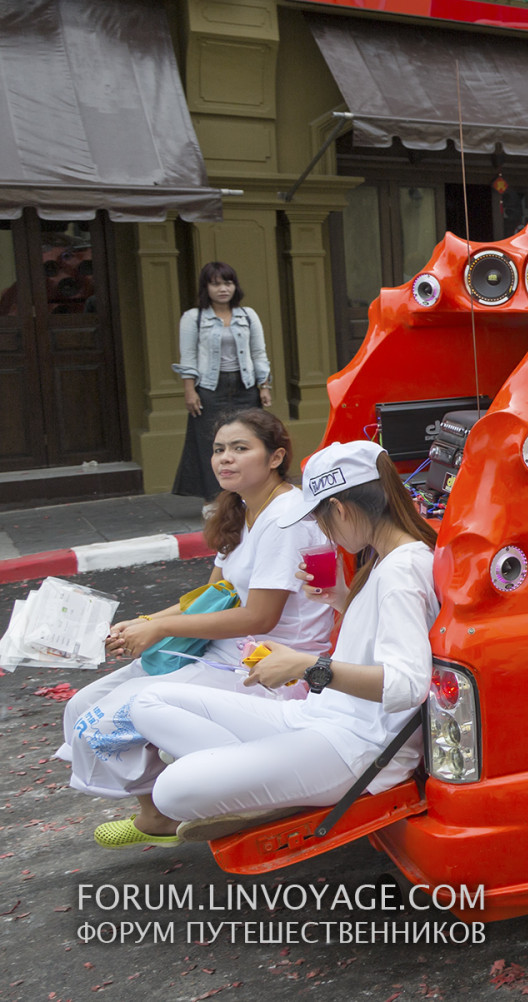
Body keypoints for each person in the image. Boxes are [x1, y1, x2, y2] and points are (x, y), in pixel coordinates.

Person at [126, 440, 438, 842]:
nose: (324, 530)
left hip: (356, 746)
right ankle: (268, 778)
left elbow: (408, 686)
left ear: (340, 508)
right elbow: (381, 632)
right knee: (147, 702)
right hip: (319, 717)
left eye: (321, 519)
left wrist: (306, 666)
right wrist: (340, 598)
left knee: (171, 790)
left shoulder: (400, 570)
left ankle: (265, 779)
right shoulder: (386, 558)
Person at [60, 409, 334, 848]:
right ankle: (156, 812)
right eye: (219, 449)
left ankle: (209, 797)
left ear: (275, 457)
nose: (225, 458)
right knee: (84, 705)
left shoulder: (287, 521)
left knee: (114, 715)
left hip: (267, 665)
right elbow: (214, 594)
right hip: (219, 649)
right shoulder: (241, 510)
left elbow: (259, 617)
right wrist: (146, 622)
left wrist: (161, 628)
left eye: (240, 448)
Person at [173, 261, 272, 499]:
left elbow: (259, 353)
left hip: (245, 387)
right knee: (212, 443)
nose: (223, 289)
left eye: (228, 283)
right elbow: (188, 357)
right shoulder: (193, 318)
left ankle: (248, 495)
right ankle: (215, 500)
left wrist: (264, 386)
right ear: (206, 288)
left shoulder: (248, 315)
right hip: (210, 389)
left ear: (235, 286)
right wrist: (190, 391)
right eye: (216, 284)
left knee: (248, 439)